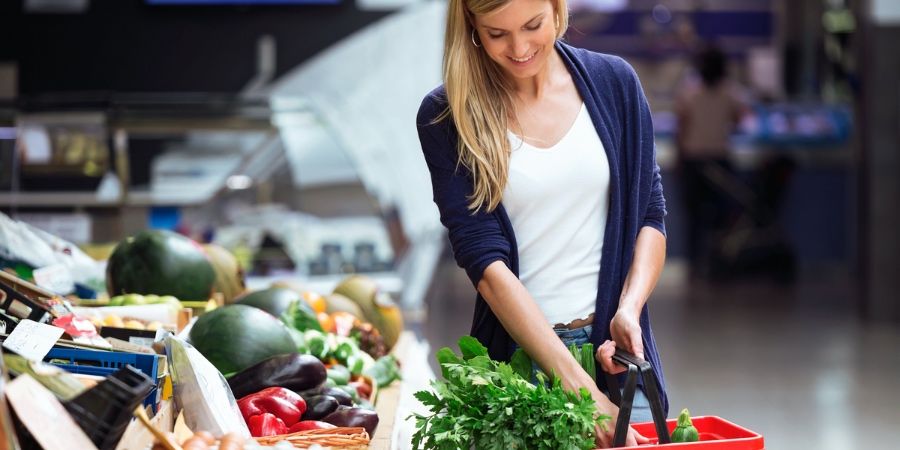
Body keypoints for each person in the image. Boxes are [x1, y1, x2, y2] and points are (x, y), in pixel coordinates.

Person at [416, 0, 667, 447]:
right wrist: (581, 391)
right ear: (471, 25)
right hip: (521, 365)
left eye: (533, 25)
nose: (519, 47)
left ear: (557, 8)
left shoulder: (615, 84)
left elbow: (650, 215)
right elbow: (484, 264)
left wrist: (629, 308)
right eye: (497, 34)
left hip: (618, 358)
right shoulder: (448, 115)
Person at [674, 44, 749, 279]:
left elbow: (681, 127)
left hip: (693, 161)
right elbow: (740, 120)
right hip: (720, 161)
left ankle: (695, 265)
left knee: (694, 217)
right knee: (720, 217)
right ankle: (717, 265)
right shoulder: (731, 92)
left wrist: (679, 158)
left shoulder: (689, 92)